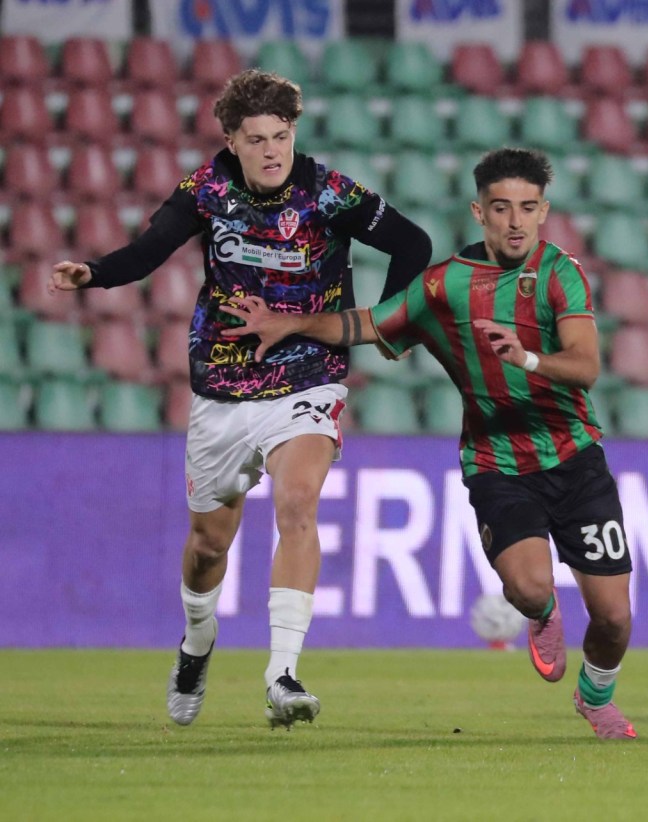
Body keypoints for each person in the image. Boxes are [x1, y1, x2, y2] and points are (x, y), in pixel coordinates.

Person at [49, 69, 432, 729]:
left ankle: (282, 673)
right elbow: (147, 253)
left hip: (309, 374)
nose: (271, 151)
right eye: (255, 139)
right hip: (224, 387)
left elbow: (414, 244)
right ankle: (197, 643)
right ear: (231, 139)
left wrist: (387, 328)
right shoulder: (206, 190)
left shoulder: (328, 192)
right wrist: (95, 274)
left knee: (298, 502)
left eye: (280, 136)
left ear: (294, 133)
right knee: (207, 546)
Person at [218, 147, 637, 739]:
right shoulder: (443, 286)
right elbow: (368, 323)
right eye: (501, 208)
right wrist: (292, 322)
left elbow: (588, 366)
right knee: (528, 585)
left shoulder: (560, 273)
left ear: (543, 212)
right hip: (496, 462)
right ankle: (542, 614)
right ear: (479, 213)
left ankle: (596, 696)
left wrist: (529, 358)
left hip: (575, 457)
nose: (515, 221)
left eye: (527, 208)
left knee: (615, 618)